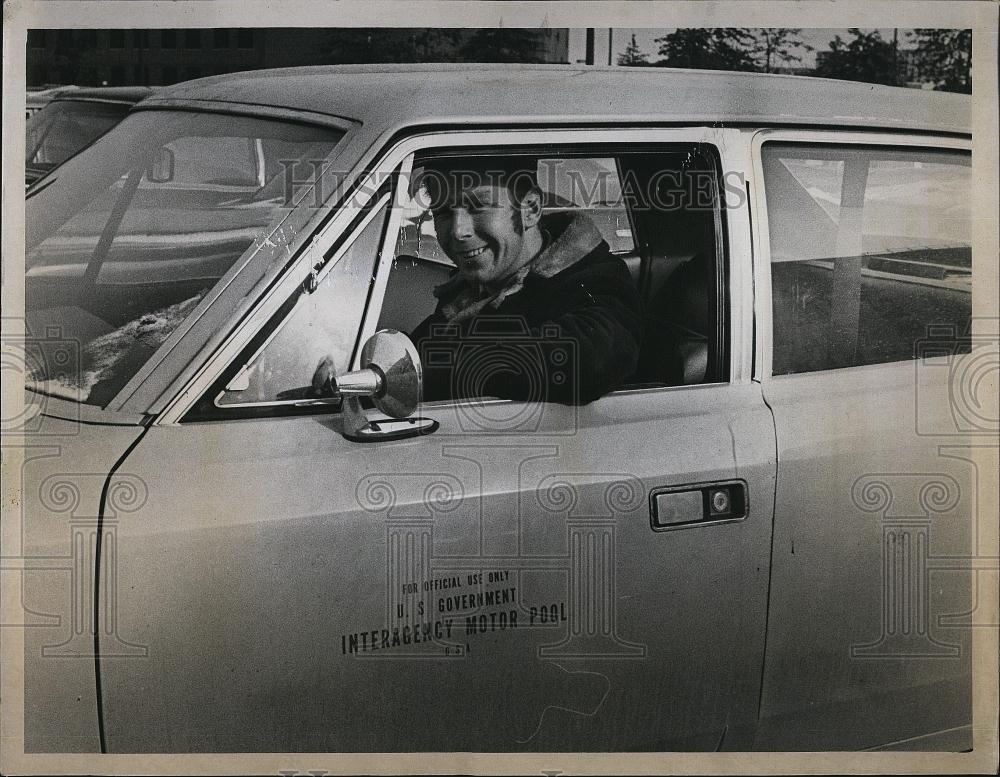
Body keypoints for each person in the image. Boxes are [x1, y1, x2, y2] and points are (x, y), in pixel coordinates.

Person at [314, 156, 642, 405]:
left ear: (530, 209)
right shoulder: (467, 294)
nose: (458, 231)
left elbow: (587, 359)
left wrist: (425, 368)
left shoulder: (595, 279)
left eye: (479, 205)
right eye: (443, 212)